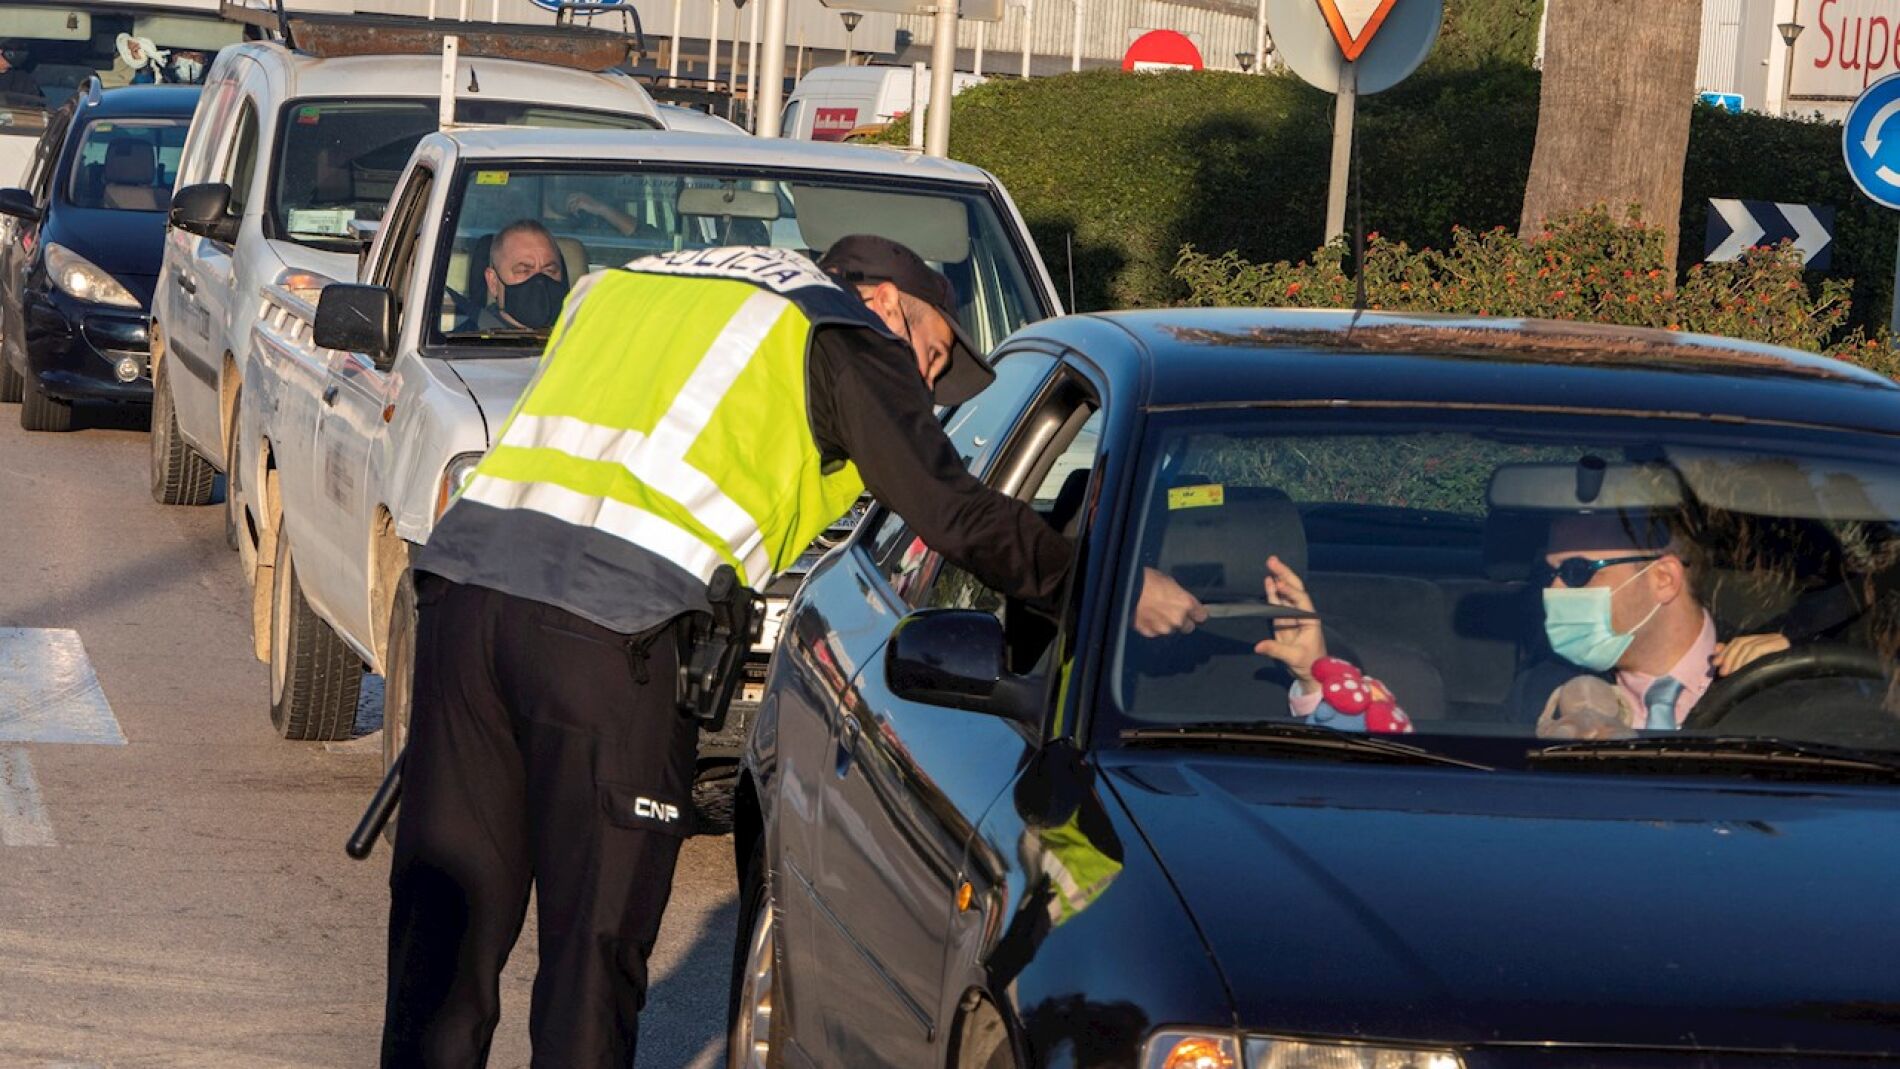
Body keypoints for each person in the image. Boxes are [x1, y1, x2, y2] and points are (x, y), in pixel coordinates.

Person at [381, 236, 1203, 1066]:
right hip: (607, 639)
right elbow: (953, 514)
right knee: (591, 960)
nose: (925, 384)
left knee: (441, 942)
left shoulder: (642, 279)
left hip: (463, 601)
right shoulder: (837, 332)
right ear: (886, 301)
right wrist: (1108, 588)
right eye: (934, 353)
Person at [1252, 511, 1793, 732]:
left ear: (1663, 579)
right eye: (1549, 573)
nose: (1554, 592)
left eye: (1578, 572)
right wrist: (1316, 674)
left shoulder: (1778, 676)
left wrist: (1790, 682)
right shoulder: (1541, 692)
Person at [471, 219, 568, 331]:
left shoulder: (582, 339)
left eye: (549, 271)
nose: (539, 280)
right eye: (523, 271)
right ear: (493, 282)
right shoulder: (465, 344)